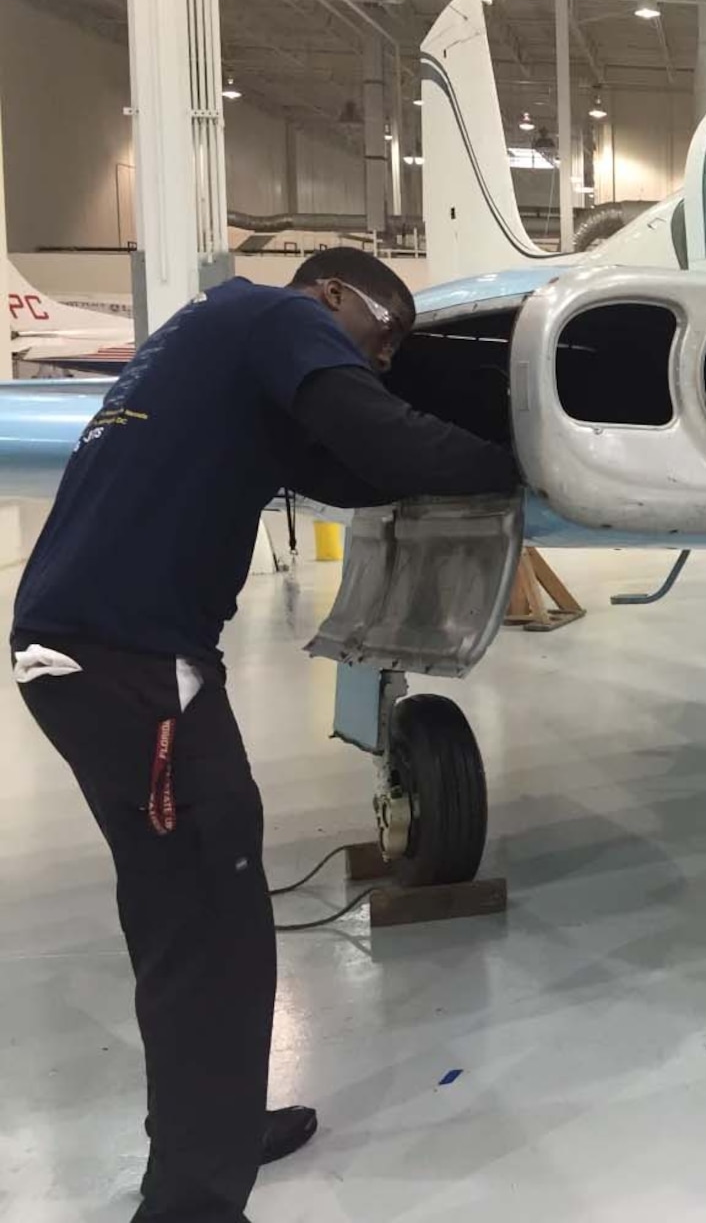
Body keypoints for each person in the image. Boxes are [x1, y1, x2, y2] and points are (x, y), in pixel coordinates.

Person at [12, 249, 516, 1223]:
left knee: (191, 915)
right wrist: (527, 464)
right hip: (131, 662)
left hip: (97, 651)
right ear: (331, 293)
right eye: (383, 334)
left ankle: (218, 1128)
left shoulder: (210, 343)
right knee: (208, 927)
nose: (380, 359)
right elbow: (393, 444)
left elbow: (351, 468)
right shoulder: (274, 319)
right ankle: (192, 1203)